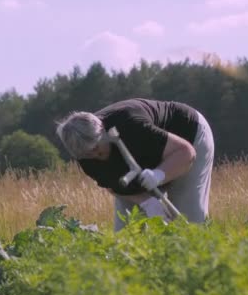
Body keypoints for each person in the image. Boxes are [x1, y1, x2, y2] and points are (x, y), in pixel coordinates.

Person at [55, 98, 214, 231]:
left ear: (103, 129)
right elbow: (113, 185)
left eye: (97, 147)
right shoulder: (83, 153)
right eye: (89, 154)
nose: (96, 155)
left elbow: (186, 153)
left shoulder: (131, 125)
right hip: (146, 157)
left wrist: (159, 175)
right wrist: (146, 201)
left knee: (190, 221)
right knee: (126, 234)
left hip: (187, 138)